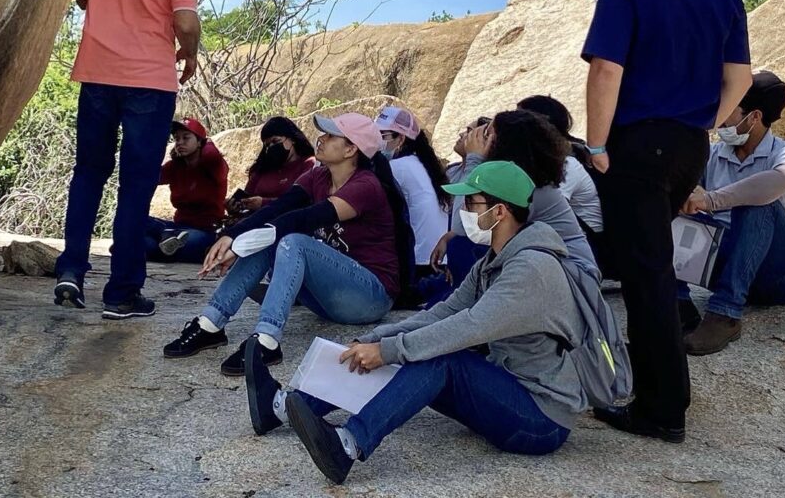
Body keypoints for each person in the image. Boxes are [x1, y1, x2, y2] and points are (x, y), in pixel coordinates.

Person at [242, 162, 587, 484]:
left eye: (472, 203)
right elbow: (442, 313)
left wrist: (389, 350)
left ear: (500, 211)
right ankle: (281, 408)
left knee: (436, 356)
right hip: (505, 386)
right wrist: (375, 339)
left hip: (541, 418)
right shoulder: (494, 261)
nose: (463, 212)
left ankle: (348, 445)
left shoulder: (531, 269)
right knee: (404, 350)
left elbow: (469, 327)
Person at [582, 0, 752, 442]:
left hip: (637, 144)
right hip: (689, 147)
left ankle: (660, 409)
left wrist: (597, 145)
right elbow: (741, 81)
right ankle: (663, 392)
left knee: (645, 275)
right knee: (654, 268)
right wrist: (706, 122)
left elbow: (607, 69)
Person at [54, 0, 201, 320]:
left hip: (98, 71)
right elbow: (184, 19)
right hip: (150, 80)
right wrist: (189, 54)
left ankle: (71, 272)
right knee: (135, 185)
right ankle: (121, 294)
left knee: (89, 172)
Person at [162, 113, 399, 376]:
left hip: (370, 296)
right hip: (328, 298)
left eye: (331, 136)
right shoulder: (317, 177)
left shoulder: (366, 185)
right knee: (271, 236)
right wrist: (232, 235)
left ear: (351, 149)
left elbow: (306, 217)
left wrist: (241, 244)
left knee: (291, 240)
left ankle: (267, 341)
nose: (321, 139)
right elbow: (278, 209)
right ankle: (210, 324)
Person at [679, 71, 785, 354]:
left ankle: (725, 313)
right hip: (728, 263)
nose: (720, 118)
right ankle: (679, 303)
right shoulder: (714, 153)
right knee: (672, 202)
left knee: (759, 202)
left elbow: (779, 180)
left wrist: (711, 199)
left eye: (729, 109)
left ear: (754, 117)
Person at [431, 110, 599, 286]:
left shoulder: (528, 185)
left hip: (572, 276)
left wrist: (474, 159)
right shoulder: (523, 177)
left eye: (486, 134)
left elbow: (463, 228)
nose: (479, 139)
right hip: (552, 267)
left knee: (462, 245)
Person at [516, 95, 608, 277]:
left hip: (587, 249)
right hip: (568, 242)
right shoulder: (552, 159)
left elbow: (547, 214)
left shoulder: (566, 164)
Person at [374, 107, 450, 271]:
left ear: (400, 139)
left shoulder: (398, 167)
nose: (377, 142)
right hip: (437, 256)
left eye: (383, 136)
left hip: (420, 259)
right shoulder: (420, 163)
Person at [144, 118, 228, 263]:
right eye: (177, 139)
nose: (180, 142)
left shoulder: (214, 165)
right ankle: (163, 238)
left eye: (186, 137)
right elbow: (149, 177)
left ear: (200, 142)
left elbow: (211, 155)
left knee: (147, 246)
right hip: (175, 229)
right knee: (137, 220)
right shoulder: (175, 167)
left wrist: (207, 142)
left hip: (204, 231)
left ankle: (158, 248)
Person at [227, 116, 317, 216]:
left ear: (291, 139)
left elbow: (302, 203)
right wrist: (236, 207)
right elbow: (246, 198)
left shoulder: (308, 165)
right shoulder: (262, 169)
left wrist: (263, 203)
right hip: (252, 223)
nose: (271, 147)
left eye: (275, 141)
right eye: (267, 145)